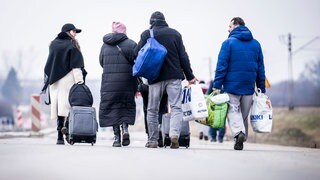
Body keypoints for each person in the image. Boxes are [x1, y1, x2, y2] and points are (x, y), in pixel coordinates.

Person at [135, 11, 197, 149]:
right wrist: (190, 76)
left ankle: (153, 140)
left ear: (151, 22)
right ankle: (174, 135)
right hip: (174, 76)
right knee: (176, 107)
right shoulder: (175, 34)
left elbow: (137, 53)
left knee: (152, 109)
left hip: (155, 77)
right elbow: (183, 57)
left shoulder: (146, 34)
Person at [212, 17, 266, 150]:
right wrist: (261, 88)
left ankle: (239, 133)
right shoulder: (256, 44)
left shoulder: (228, 43)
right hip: (248, 87)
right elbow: (261, 68)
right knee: (243, 115)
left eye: (229, 26)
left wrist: (217, 85)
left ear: (235, 25)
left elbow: (221, 66)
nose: (228, 29)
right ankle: (240, 139)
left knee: (233, 110)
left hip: (232, 86)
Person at [44, 23, 85, 145]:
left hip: (54, 80)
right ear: (67, 32)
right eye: (73, 31)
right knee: (67, 106)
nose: (75, 34)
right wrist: (80, 81)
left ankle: (59, 137)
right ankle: (66, 128)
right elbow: (76, 65)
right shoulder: (72, 44)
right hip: (67, 79)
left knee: (58, 108)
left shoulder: (53, 44)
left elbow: (50, 63)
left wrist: (49, 78)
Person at [99, 22, 137, 147]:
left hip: (109, 83)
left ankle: (116, 138)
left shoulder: (105, 45)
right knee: (125, 105)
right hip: (127, 81)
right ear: (124, 31)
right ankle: (125, 129)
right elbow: (137, 63)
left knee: (112, 108)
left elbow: (101, 62)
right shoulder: (131, 44)